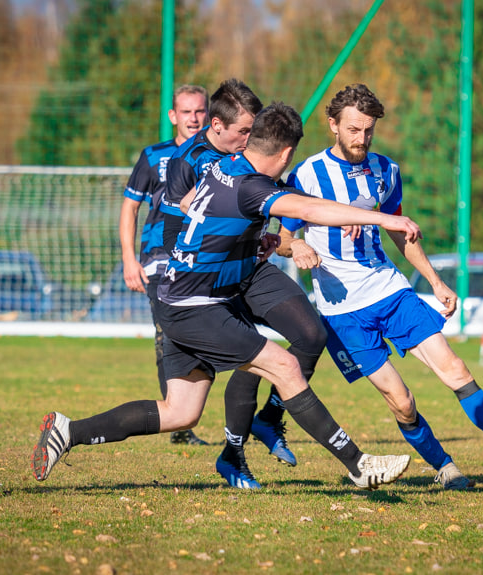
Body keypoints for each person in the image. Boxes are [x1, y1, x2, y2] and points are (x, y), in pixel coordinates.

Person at [32, 102, 416, 491]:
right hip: (196, 307)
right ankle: (358, 463)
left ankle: (68, 431)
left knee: (180, 412)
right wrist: (385, 218)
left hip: (177, 296)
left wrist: (247, 239)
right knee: (284, 366)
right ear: (286, 154)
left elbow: (196, 208)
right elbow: (308, 208)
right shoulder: (253, 186)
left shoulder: (225, 165)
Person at [278, 84, 483, 489]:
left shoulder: (385, 171)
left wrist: (436, 282)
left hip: (389, 289)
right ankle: (445, 466)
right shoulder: (306, 174)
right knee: (401, 401)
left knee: (455, 368)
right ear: (333, 125)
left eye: (368, 130)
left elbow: (401, 233)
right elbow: (280, 236)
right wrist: (295, 245)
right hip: (341, 310)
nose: (362, 139)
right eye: (353, 129)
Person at [163, 79, 327, 487]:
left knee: (310, 334)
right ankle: (233, 454)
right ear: (218, 126)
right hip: (209, 277)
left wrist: (289, 242)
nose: (249, 141)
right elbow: (189, 216)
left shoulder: (250, 163)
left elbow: (278, 228)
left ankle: (269, 419)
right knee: (254, 354)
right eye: (244, 133)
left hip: (250, 266)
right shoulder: (195, 159)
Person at [119, 84, 209, 445]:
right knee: (169, 335)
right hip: (160, 262)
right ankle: (180, 425)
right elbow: (130, 206)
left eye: (200, 111)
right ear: (173, 116)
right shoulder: (154, 156)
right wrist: (129, 258)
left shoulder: (218, 157)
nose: (193, 118)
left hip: (206, 260)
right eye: (186, 112)